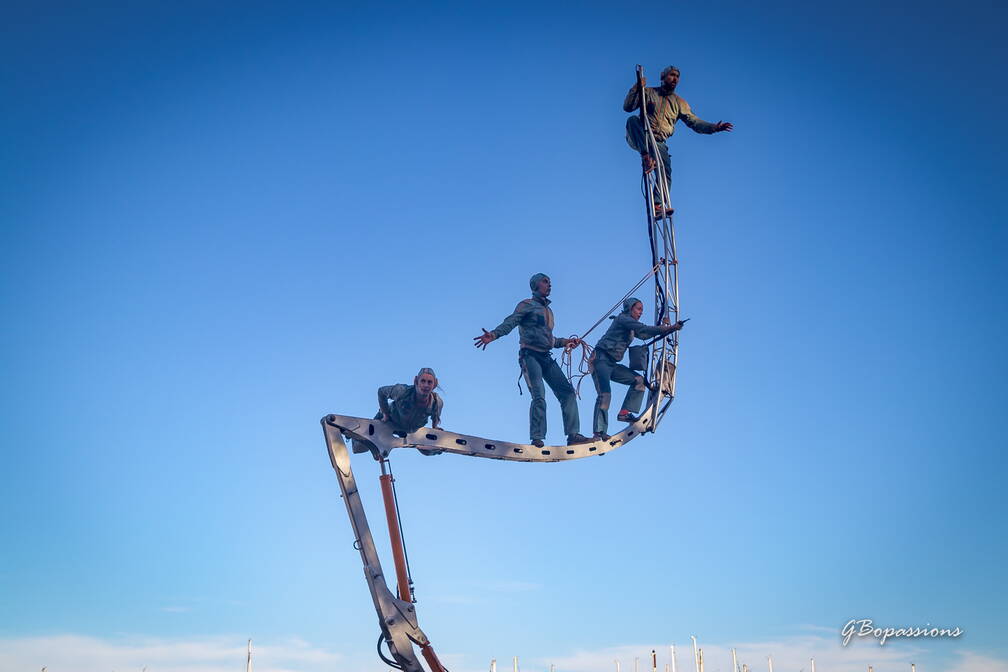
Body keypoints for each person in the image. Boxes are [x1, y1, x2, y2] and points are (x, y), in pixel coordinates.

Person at [474, 273, 591, 448]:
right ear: (535, 285)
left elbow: (550, 340)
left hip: (546, 356)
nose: (549, 285)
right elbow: (511, 322)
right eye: (545, 282)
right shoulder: (526, 305)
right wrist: (494, 334)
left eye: (550, 282)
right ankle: (537, 437)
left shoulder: (549, 311)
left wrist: (566, 342)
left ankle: (573, 435)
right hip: (530, 356)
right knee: (539, 396)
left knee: (567, 392)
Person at [623, 65, 733, 214]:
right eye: (671, 75)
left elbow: (694, 121)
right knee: (632, 120)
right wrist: (636, 88)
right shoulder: (648, 92)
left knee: (665, 171)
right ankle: (646, 157)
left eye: (677, 76)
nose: (674, 78)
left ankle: (658, 205)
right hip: (640, 135)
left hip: (658, 142)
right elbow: (628, 107)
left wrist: (713, 127)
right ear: (663, 77)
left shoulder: (680, 103)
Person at [591, 298, 684, 440]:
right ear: (630, 308)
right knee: (605, 394)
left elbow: (644, 334)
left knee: (639, 381)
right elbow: (644, 329)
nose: (641, 312)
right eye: (638, 309)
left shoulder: (632, 328)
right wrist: (669, 328)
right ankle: (599, 432)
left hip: (612, 364)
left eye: (642, 310)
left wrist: (665, 328)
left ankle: (624, 413)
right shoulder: (623, 319)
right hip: (601, 359)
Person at [352, 367, 445, 456]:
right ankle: (352, 435)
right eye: (423, 381)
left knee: (428, 451)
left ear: (434, 384)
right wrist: (385, 414)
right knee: (360, 447)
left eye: (429, 382)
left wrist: (435, 428)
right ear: (416, 381)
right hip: (390, 422)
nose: (426, 385)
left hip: (410, 431)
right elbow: (381, 392)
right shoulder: (402, 391)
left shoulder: (437, 403)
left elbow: (435, 418)